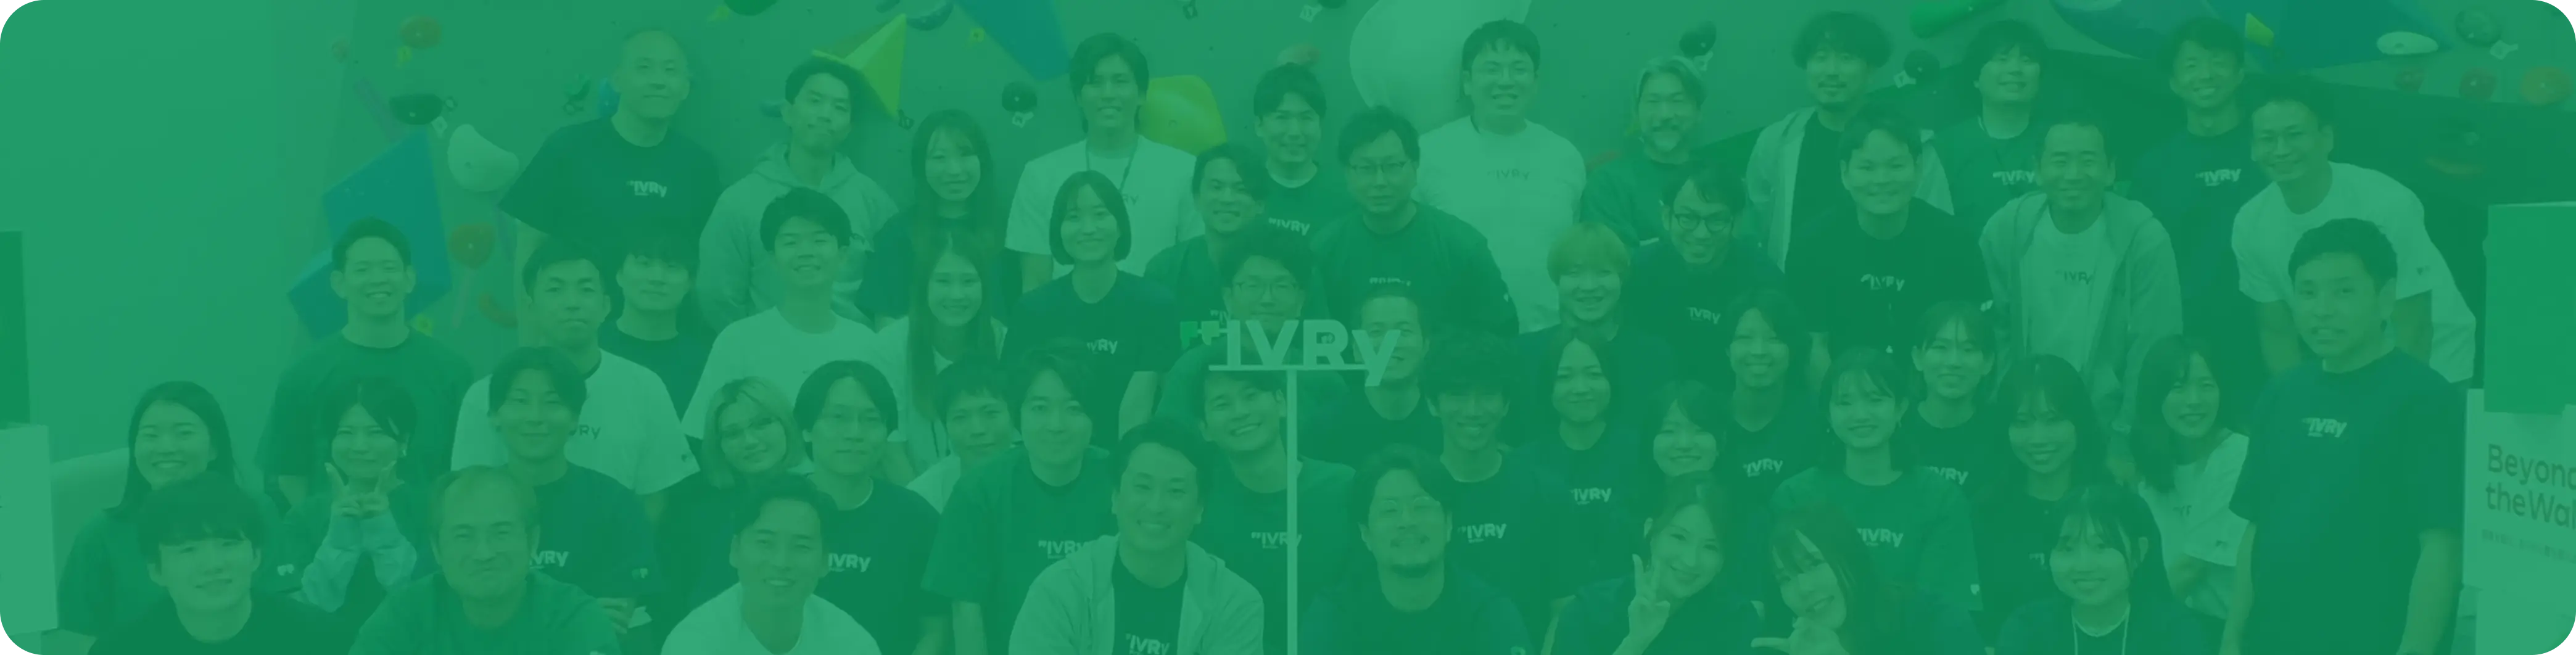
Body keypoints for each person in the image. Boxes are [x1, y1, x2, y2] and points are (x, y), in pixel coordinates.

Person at [2223, 219, 2464, 655]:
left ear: (2385, 298)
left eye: (2344, 292)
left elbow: (2441, 546)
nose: (2322, 309)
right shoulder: (2282, 393)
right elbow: (2256, 526)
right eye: (2308, 293)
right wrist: (2233, 637)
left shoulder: (2427, 400)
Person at [2231, 83, 2477, 385]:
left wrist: (2391, 403)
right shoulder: (2250, 223)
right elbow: (2277, 331)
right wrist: (2295, 400)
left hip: (2434, 358)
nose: (2281, 150)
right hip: (2341, 361)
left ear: (2326, 138)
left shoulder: (2386, 203)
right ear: (2253, 148)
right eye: (2268, 139)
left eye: (2295, 135)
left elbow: (2413, 323)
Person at [450, 241, 698, 513]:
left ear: (606, 305)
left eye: (586, 290)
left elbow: (655, 496)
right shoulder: (485, 395)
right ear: (530, 307)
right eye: (555, 290)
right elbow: (469, 491)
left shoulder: (646, 387)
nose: (572, 303)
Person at [259, 218, 476, 509]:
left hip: (425, 534)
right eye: (362, 270)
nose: (378, 279)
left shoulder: (451, 371)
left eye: (389, 268)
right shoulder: (304, 375)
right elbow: (289, 475)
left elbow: (466, 473)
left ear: (409, 279)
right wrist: (324, 527)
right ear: (339, 283)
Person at [1983, 114, 2184, 427]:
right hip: (2023, 416)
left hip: (2107, 419)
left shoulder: (2143, 239)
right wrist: (2006, 410)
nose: (2074, 175)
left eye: (2088, 161)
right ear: (2037, 169)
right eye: (2060, 161)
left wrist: (2126, 434)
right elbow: (1994, 331)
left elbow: (2154, 347)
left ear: (2111, 170)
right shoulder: (2008, 229)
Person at [59, 382, 282, 654]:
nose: (166, 447)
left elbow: (282, 608)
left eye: (184, 433)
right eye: (150, 435)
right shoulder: (100, 535)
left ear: (214, 447)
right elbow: (78, 638)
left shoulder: (256, 511)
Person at [924, 347, 1121, 655]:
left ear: (1094, 418)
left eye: (1074, 408)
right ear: (1018, 415)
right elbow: (966, 608)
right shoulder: (978, 491)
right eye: (1040, 408)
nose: (1056, 424)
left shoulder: (1122, 480)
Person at [1010, 420, 1265, 655]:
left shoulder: (1234, 603)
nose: (1156, 506)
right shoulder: (1060, 592)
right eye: (1143, 487)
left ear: (1200, 508)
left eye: (1176, 491)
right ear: (1115, 497)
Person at [504, 29, 719, 289]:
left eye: (670, 71)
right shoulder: (567, 149)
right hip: (579, 313)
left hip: (663, 315)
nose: (658, 81)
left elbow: (704, 262)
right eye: (644, 68)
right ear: (617, 80)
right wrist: (527, 315)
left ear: (685, 87)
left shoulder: (699, 168)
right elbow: (529, 244)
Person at [2130, 20, 2267, 427]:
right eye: (2191, 65)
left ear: (2240, 73)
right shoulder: (2155, 166)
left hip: (2266, 332)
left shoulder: (2271, 151)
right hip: (2185, 337)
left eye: (2218, 61)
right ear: (2174, 82)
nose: (2206, 74)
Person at [685, 189, 891, 461]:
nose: (806, 253)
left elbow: (887, 437)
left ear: (843, 254)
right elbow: (705, 434)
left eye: (819, 240)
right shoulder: (737, 340)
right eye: (791, 242)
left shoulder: (867, 343)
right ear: (772, 258)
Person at [1769, 348, 1981, 611]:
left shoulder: (1941, 499)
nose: (1861, 415)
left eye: (1875, 399)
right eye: (1845, 402)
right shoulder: (1795, 496)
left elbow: (1944, 609)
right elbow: (1793, 593)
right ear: (1828, 414)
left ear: (1901, 408)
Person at [698, 57, 902, 327]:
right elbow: (717, 295)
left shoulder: (873, 202)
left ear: (849, 126)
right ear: (788, 112)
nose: (826, 114)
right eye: (815, 101)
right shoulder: (739, 202)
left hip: (854, 350)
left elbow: (894, 288)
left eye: (840, 107)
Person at [1414, 19, 1588, 333]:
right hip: (1459, 336)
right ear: (1467, 81)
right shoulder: (1428, 154)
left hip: (1550, 333)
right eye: (1491, 69)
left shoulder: (1565, 156)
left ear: (1536, 81)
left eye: (1519, 69)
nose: (1506, 81)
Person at [1746, 11, 1952, 269]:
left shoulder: (1912, 144)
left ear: (1871, 70)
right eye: (1821, 57)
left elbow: (1939, 232)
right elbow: (1758, 223)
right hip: (1800, 288)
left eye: (1847, 58)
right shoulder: (1777, 141)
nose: (1832, 71)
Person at [1787, 107, 1988, 366]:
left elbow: (1971, 342)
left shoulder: (1956, 243)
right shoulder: (1812, 245)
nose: (1882, 180)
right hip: (1843, 386)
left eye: (1896, 166)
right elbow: (1816, 345)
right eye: (1867, 167)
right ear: (1845, 173)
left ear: (1918, 169)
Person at [480, 347, 659, 636]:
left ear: (575, 418)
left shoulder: (613, 502)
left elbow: (616, 614)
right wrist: (573, 616)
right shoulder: (467, 502)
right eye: (520, 401)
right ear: (494, 416)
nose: (535, 417)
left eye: (552, 403)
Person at [349, 467, 625, 654]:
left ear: (532, 541)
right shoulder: (402, 617)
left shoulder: (573, 618)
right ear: (437, 549)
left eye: (501, 533)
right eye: (464, 536)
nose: (484, 553)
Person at [1007, 33, 1200, 290]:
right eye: (1095, 83)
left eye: (1120, 81)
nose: (1108, 94)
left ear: (1141, 94)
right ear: (1078, 97)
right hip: (1068, 315)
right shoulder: (1040, 175)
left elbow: (1195, 274)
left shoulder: (1184, 171)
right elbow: (1035, 283)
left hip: (1156, 314)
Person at [1302, 445, 1531, 655]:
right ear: (1365, 533)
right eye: (1390, 510)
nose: (1407, 522)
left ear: (1448, 523)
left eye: (1421, 506)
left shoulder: (1490, 615)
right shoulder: (1333, 617)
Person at [1424, 331, 1579, 643]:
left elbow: (1563, 608)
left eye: (1488, 395)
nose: (1473, 410)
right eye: (1458, 395)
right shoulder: (1415, 495)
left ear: (1506, 403)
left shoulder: (1547, 493)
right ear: (1432, 404)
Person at [1005, 171, 1184, 440]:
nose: (1088, 228)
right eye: (1074, 217)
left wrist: (1127, 461)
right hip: (1053, 445)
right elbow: (1017, 398)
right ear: (1058, 230)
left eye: (1100, 215)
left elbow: (1143, 401)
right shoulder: (1032, 310)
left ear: (1120, 226)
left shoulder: (1155, 304)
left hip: (1132, 448)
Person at [1192, 366, 1357, 655]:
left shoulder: (1343, 487)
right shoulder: (1197, 503)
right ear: (1204, 428)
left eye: (1251, 395)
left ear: (1281, 402)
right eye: (1222, 404)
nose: (1240, 412)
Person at [1310, 108, 1517, 337]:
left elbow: (1500, 335)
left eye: (1393, 166)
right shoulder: (1326, 249)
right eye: (1366, 168)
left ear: (1416, 167)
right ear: (1347, 174)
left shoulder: (1462, 247)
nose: (1380, 181)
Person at [89, 476, 352, 655]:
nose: (213, 565)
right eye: (188, 550)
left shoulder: (322, 641)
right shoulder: (119, 650)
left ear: (256, 556)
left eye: (228, 544)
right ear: (156, 570)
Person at [796, 361, 947, 655]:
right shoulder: (773, 510)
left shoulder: (916, 518)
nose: (855, 433)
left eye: (871, 419)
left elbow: (935, 630)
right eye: (838, 417)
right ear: (806, 429)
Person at [270, 379, 436, 622]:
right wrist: (339, 540)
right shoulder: (304, 516)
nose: (360, 446)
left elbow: (429, 601)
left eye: (376, 432)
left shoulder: (433, 507)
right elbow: (298, 607)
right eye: (346, 433)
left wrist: (384, 534)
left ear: (404, 441)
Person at [1975, 355, 2115, 642]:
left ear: (2079, 422)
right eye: (2022, 422)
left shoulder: (2114, 507)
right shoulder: (1985, 512)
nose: (2038, 438)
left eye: (2054, 420)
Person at [654, 377, 810, 630]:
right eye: (732, 433)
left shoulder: (820, 502)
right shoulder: (696, 517)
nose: (750, 441)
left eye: (762, 423)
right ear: (719, 447)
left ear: (787, 426)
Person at [663, 478, 885, 655]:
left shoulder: (850, 643)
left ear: (825, 561)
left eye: (801, 546)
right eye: (765, 543)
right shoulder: (694, 643)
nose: (781, 562)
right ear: (735, 550)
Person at [1155, 228, 1350, 427]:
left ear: (1301, 301)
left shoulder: (1324, 380)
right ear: (1228, 298)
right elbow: (1165, 442)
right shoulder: (1193, 369)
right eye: (1252, 286)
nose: (1267, 299)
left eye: (1282, 286)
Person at [1549, 476, 1764, 655]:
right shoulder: (1588, 612)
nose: (1691, 560)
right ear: (1650, 531)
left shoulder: (1737, 620)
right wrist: (1636, 642)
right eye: (1679, 537)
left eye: (1710, 547)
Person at [1996, 485, 2216, 655]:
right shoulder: (2026, 629)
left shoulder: (2176, 630)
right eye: (2067, 549)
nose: (2084, 566)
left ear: (2139, 552)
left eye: (2102, 546)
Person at [857, 110, 1023, 328]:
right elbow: (885, 321)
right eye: (939, 157)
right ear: (921, 166)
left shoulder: (1011, 230)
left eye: (965, 154)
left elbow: (1023, 311)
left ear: (982, 161)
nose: (954, 170)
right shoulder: (898, 233)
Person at [1509, 331, 1649, 587]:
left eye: (1594, 375)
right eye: (1564, 377)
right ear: (1548, 387)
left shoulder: (1643, 454)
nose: (1581, 389)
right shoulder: (1522, 465)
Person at [2124, 336, 2248, 619]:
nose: (2194, 401)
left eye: (2206, 386)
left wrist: (2129, 626)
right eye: (2178, 388)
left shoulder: (2238, 455)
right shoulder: (2149, 470)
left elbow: (2191, 569)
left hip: (2226, 626)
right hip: (2177, 620)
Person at [1754, 504, 1983, 655]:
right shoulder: (1786, 645)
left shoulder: (1934, 620)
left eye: (1815, 564)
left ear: (1851, 555)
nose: (1804, 588)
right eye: (1785, 578)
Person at [1628, 159, 1781, 385]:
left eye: (1716, 220)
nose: (1701, 234)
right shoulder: (1640, 270)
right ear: (1666, 216)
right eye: (1688, 218)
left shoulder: (1764, 279)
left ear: (1737, 222)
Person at [1515, 222, 1676, 434]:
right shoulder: (1525, 353)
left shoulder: (1654, 356)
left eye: (1603, 273)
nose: (1589, 286)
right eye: (1574, 273)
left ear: (1621, 279)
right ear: (1557, 280)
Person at [883, 239, 1010, 471]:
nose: (957, 295)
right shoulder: (890, 346)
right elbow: (890, 446)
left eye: (969, 281)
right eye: (943, 281)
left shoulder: (1003, 340)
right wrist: (920, 495)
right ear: (924, 286)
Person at [1581, 56, 1715, 249]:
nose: (1665, 115)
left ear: (1698, 112)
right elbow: (1612, 261)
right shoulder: (1608, 184)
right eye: (1653, 102)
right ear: (1636, 113)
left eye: (1677, 101)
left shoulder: (1721, 181)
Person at [1934, 21, 2050, 233]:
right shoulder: (1943, 148)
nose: (2015, 69)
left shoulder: (2061, 140)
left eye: (2027, 60)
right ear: (1975, 78)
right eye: (2002, 59)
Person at [1309, 284, 1443, 467]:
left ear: (1426, 345)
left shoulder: (1449, 423)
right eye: (1376, 332)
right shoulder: (1323, 429)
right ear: (1356, 349)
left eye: (1404, 331)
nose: (1391, 343)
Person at [1147, 144, 1276, 326]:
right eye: (1216, 187)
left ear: (1260, 204)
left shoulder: (1288, 268)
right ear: (1196, 198)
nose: (1227, 199)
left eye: (1241, 189)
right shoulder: (1166, 269)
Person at [1714, 291, 1818, 506]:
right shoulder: (1707, 419)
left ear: (1792, 350)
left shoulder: (1818, 421)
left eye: (1774, 339)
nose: (1759, 351)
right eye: (1745, 338)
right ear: (1727, 349)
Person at [601, 229, 717, 411]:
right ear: (619, 274)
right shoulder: (589, 346)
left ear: (691, 282)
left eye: (672, 267)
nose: (657, 278)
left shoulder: (707, 363)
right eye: (644, 263)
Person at [1902, 302, 2004, 493]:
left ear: (1988, 362)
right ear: (1918, 357)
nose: (1954, 362)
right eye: (1941, 347)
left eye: (1968, 349)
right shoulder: (1895, 427)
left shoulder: (2003, 434)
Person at [1251, 63, 1352, 237]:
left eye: (1306, 118)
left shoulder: (1347, 198)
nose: (1295, 132)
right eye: (1282, 118)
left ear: (1320, 125)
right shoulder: (1242, 192)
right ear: (1259, 125)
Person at [906, 361, 1020, 511]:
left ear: (1013, 416)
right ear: (945, 426)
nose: (977, 430)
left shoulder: (1047, 476)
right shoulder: (923, 497)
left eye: (991, 413)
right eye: (960, 417)